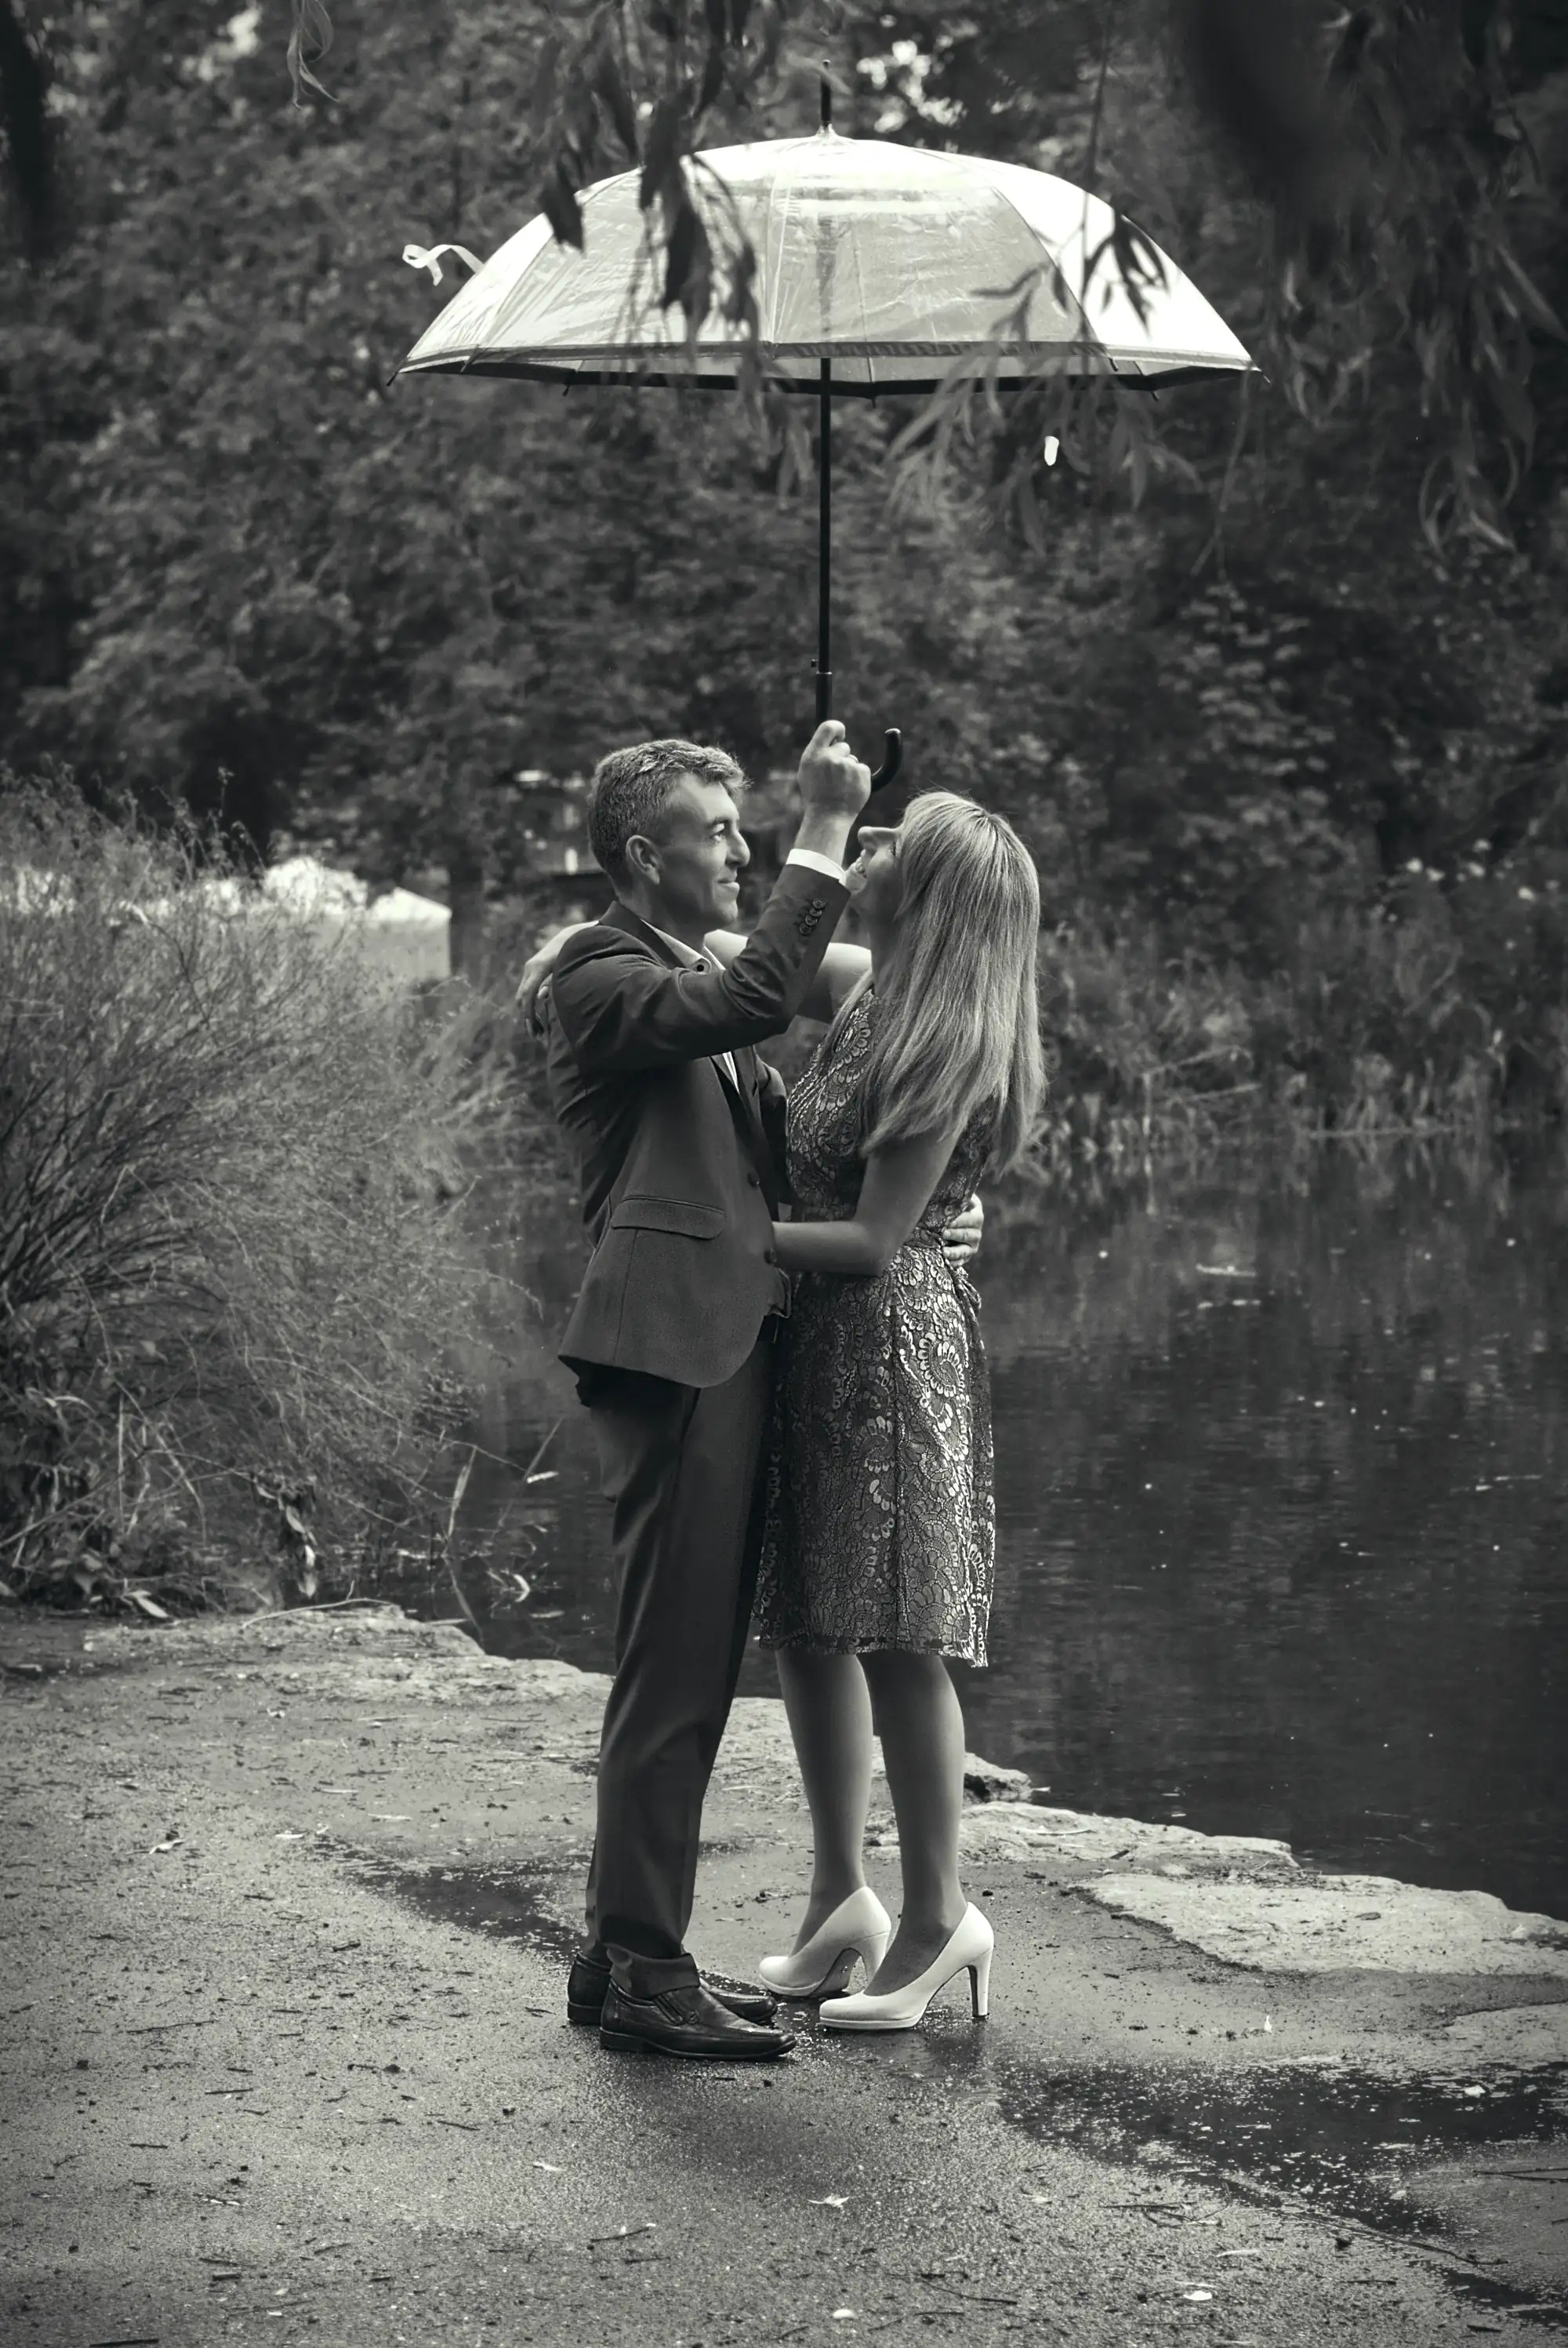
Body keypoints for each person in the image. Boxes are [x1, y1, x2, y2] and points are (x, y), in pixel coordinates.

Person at [524, 725, 982, 2065]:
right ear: (636, 856)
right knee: (671, 1679)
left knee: (682, 1673)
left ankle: (623, 1956)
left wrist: (932, 1208)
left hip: (713, 1347)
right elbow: (766, 993)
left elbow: (805, 1128)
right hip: (676, 1350)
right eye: (717, 830)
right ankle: (648, 1967)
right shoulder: (600, 972)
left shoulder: (678, 978)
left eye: (747, 828)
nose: (739, 850)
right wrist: (828, 830)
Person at [715, 792, 1044, 2032]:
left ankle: (936, 1914)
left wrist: (726, 1244)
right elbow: (753, 970)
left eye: (903, 836)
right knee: (809, 1621)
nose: (882, 843)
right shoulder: (870, 984)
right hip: (815, 1338)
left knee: (900, 1629)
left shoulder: (949, 1039)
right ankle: (836, 1902)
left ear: (938, 888)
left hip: (892, 1349)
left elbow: (871, 1237)